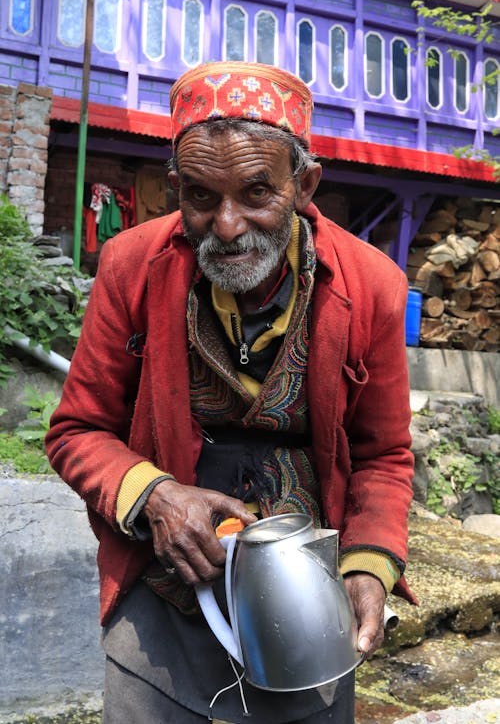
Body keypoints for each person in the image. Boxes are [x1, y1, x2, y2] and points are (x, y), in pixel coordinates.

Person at [45, 61, 415, 724]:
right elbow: (75, 431)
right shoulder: (132, 267)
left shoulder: (372, 288)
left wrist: (369, 566)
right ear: (172, 188)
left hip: (305, 594)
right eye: (199, 196)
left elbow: (383, 453)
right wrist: (154, 495)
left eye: (255, 193)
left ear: (305, 185)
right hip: (164, 590)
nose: (226, 224)